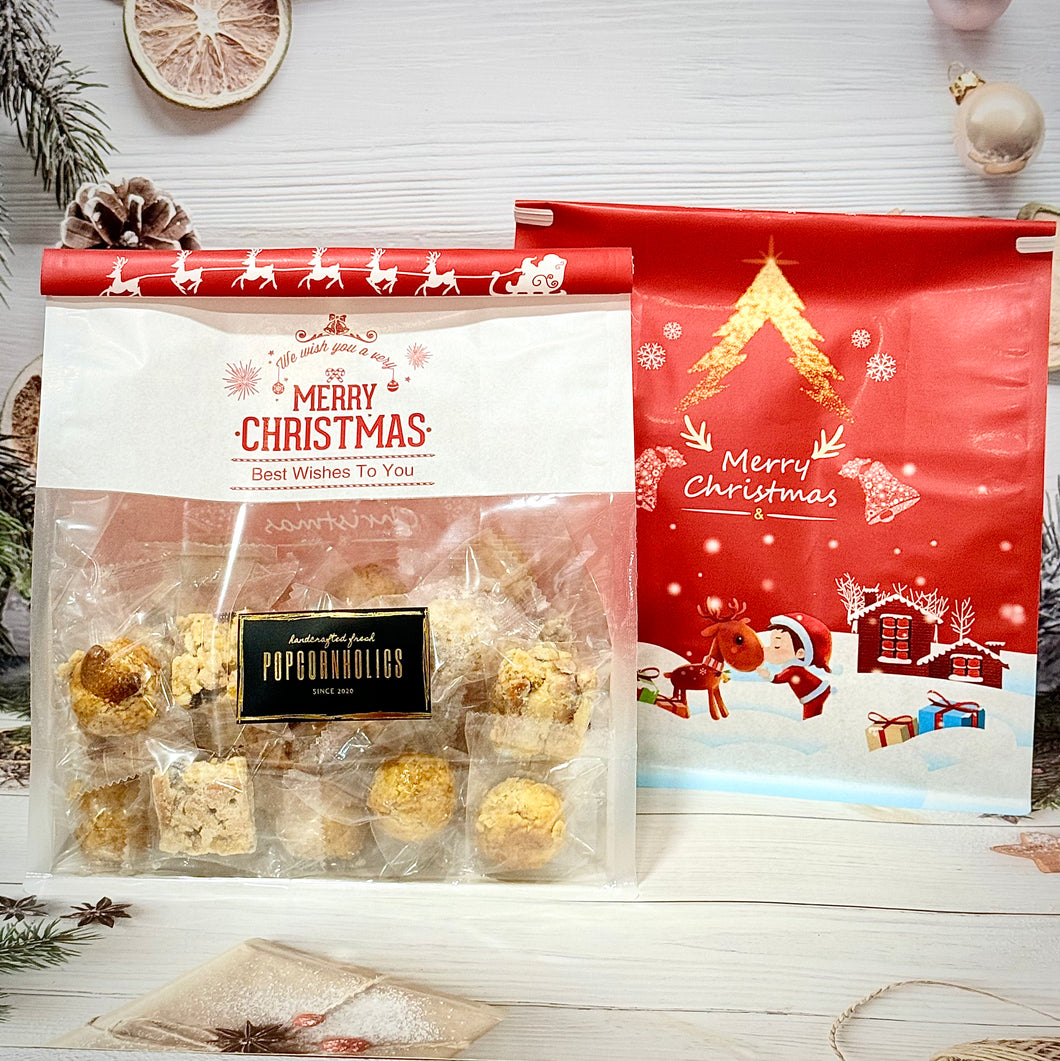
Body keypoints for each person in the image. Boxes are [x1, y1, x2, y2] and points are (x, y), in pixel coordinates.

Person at [757, 612, 832, 719]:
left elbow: (779, 678)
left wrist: (768, 675)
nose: (768, 650)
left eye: (777, 647)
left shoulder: (793, 670)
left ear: (800, 653)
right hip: (816, 693)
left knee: (811, 717)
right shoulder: (794, 668)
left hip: (815, 695)